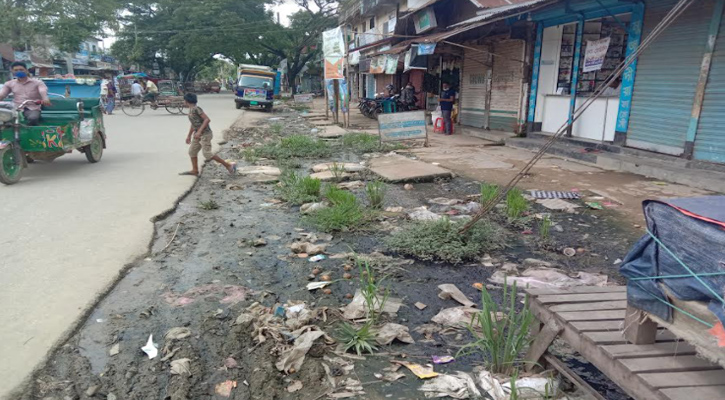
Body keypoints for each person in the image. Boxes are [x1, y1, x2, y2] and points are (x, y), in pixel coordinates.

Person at [180, 93, 236, 177]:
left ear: (187, 101)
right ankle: (195, 170)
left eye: (184, 100)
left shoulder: (196, 109)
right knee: (192, 151)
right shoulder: (191, 110)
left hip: (205, 134)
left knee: (207, 154)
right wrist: (189, 135)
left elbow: (207, 119)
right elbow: (193, 124)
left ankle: (228, 165)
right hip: (197, 135)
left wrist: (199, 132)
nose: (183, 102)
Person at [0, 61, 51, 126]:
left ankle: (30, 133)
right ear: (13, 72)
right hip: (16, 108)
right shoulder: (9, 83)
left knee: (33, 118)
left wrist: (45, 98)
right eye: (16, 70)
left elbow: (43, 91)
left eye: (21, 70)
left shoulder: (37, 82)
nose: (19, 71)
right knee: (6, 121)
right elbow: (2, 94)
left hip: (32, 108)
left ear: (26, 70)